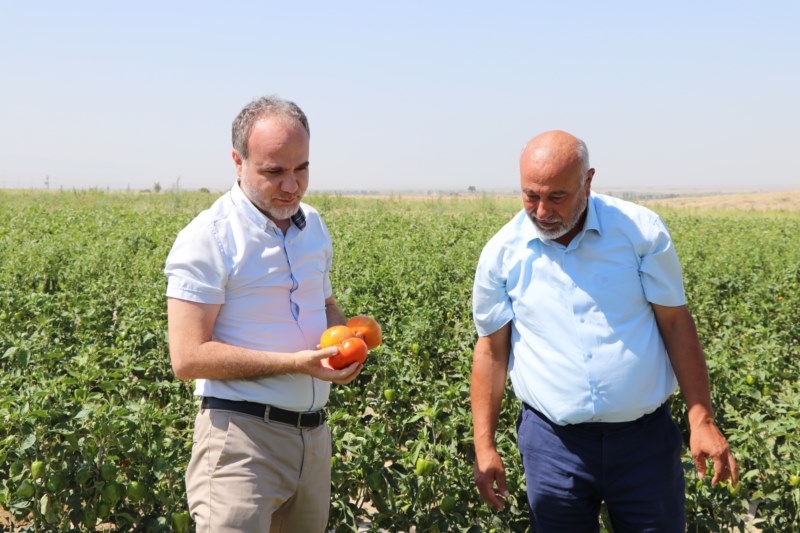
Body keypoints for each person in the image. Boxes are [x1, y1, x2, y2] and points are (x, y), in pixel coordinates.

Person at [470, 130, 739, 531]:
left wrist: (700, 417)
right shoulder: (502, 253)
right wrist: (484, 445)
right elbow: (492, 351)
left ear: (588, 181)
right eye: (531, 195)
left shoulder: (639, 232)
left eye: (557, 196)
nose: (542, 211)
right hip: (554, 446)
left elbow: (675, 322)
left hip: (644, 444)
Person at [164, 95, 362, 532]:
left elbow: (326, 305)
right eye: (274, 171)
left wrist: (346, 341)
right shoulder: (208, 237)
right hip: (241, 442)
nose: (291, 185)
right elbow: (188, 357)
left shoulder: (314, 225)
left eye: (302, 168)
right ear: (238, 161)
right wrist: (295, 364)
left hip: (313, 439)